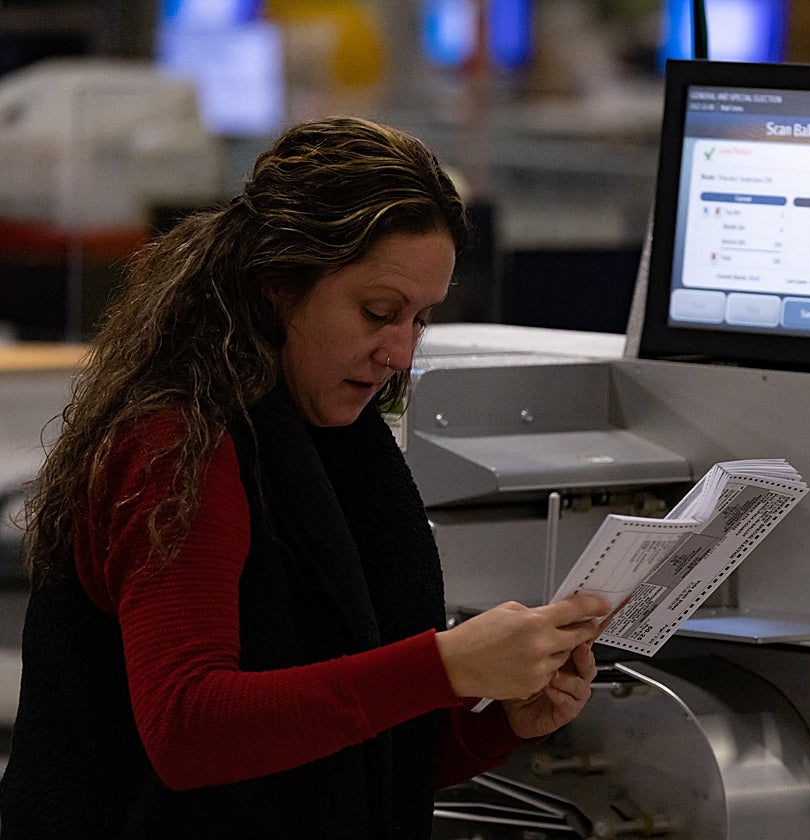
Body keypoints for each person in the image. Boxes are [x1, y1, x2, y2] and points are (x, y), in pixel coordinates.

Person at [0, 116, 611, 839]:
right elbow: (189, 731)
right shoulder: (177, 443)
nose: (401, 354)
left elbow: (338, 753)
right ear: (277, 287)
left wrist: (497, 721)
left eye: (420, 321)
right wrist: (443, 667)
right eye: (378, 312)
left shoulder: (330, 440)